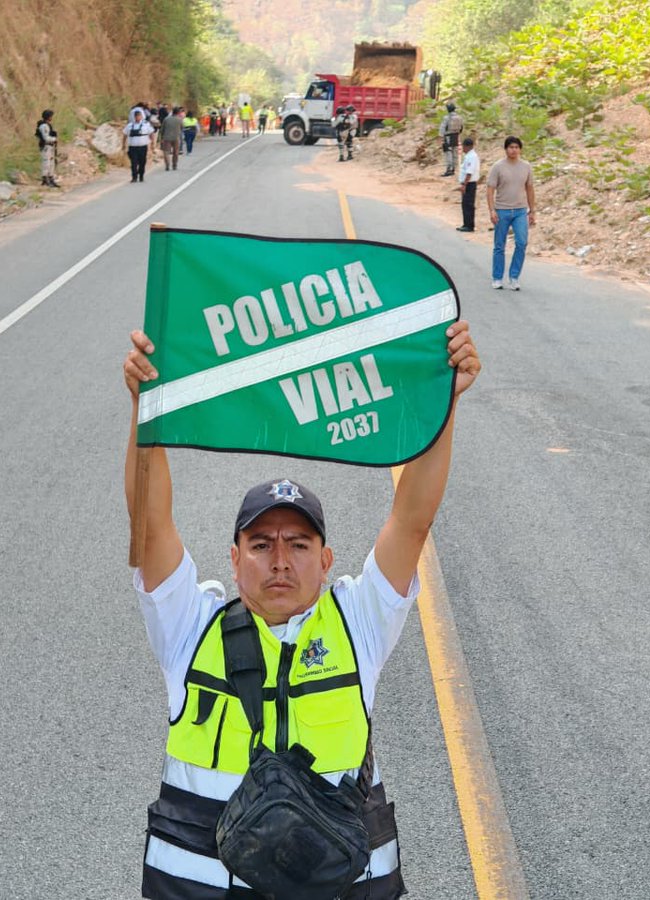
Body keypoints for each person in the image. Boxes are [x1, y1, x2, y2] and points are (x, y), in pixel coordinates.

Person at [123, 321, 482, 900]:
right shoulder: (190, 628)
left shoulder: (358, 623)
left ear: (326, 559)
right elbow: (151, 526)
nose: (280, 561)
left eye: (299, 544)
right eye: (262, 545)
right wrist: (148, 412)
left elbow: (412, 520)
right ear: (235, 561)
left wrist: (446, 402)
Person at [486, 135, 536, 291]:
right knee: (499, 245)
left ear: (520, 149)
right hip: (502, 210)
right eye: (510, 147)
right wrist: (492, 210)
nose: (513, 150)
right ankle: (497, 277)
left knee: (521, 243)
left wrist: (532, 210)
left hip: (521, 211)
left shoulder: (526, 166)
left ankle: (514, 277)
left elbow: (530, 188)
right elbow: (490, 189)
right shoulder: (498, 167)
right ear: (506, 149)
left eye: (516, 147)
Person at [123, 109, 154, 183]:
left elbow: (151, 133)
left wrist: (152, 143)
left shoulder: (146, 125)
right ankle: (134, 177)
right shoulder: (130, 125)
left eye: (139, 116)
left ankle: (141, 175)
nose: (138, 118)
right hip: (133, 147)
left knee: (142, 162)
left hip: (142, 147)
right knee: (134, 163)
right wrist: (123, 144)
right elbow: (124, 135)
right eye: (136, 116)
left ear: (141, 116)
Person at [457, 136, 479, 232]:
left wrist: (464, 184)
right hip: (468, 183)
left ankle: (469, 225)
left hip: (469, 184)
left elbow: (469, 172)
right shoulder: (469, 156)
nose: (463, 149)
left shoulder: (471, 157)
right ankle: (466, 223)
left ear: (468, 147)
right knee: (465, 204)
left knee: (468, 204)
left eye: (464, 147)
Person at [438, 101, 464, 177]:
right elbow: (461, 127)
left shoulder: (446, 118)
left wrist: (441, 136)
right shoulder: (459, 117)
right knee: (454, 152)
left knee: (448, 152)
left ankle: (449, 169)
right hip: (456, 136)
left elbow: (442, 128)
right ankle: (453, 168)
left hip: (448, 136)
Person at [35, 109, 60, 188]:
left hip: (50, 146)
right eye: (51, 116)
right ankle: (45, 179)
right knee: (46, 163)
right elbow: (45, 137)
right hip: (46, 146)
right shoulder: (44, 126)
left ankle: (50, 178)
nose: (51, 118)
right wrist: (54, 139)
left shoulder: (47, 125)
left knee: (51, 163)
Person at [159, 107, 183, 171]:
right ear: (178, 113)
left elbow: (162, 129)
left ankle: (167, 165)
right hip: (176, 138)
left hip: (167, 137)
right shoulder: (180, 120)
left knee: (166, 152)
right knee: (176, 152)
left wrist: (161, 138)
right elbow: (182, 128)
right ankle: (174, 165)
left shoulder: (166, 119)